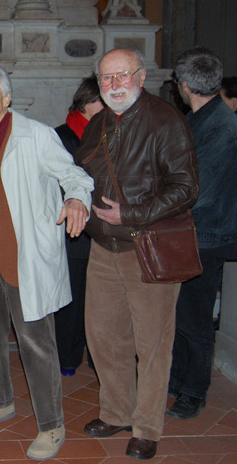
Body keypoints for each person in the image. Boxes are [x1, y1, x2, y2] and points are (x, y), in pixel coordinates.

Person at [0, 64, 93, 460]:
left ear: (6, 97)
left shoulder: (36, 135)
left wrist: (76, 199)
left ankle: (51, 424)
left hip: (24, 255)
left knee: (35, 341)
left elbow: (75, 176)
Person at [74, 48, 198, 460]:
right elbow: (81, 175)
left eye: (122, 75)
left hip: (148, 245)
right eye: (106, 78)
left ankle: (146, 427)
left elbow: (187, 188)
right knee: (105, 338)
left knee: (152, 343)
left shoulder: (165, 120)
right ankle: (116, 412)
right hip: (103, 246)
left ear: (141, 77)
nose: (114, 85)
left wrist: (131, 213)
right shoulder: (98, 123)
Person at [168, 48, 237, 420]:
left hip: (205, 236)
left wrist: (155, 206)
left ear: (184, 85)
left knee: (195, 318)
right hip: (192, 233)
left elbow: (200, 191)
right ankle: (179, 379)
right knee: (182, 314)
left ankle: (194, 392)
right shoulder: (201, 118)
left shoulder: (220, 126)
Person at [54, 76, 104, 376]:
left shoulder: (109, 132)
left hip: (105, 227)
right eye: (102, 101)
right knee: (72, 297)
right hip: (74, 230)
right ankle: (68, 356)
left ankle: (99, 356)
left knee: (102, 299)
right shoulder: (62, 136)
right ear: (86, 103)